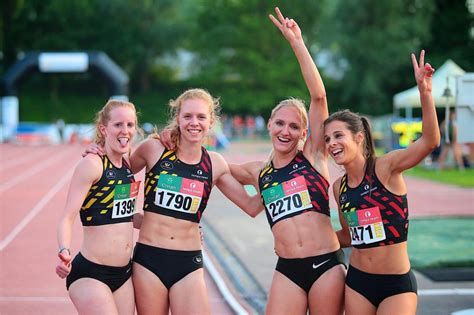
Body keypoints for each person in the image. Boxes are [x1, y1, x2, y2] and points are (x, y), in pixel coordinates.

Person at [85, 88, 262, 314]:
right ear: (177, 118)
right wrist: (99, 150)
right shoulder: (154, 149)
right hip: (149, 260)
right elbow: (116, 173)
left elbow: (251, 206)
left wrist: (269, 182)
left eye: (201, 117)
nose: (194, 123)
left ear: (211, 121)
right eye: (187, 116)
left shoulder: (215, 164)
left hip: (188, 263)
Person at [227, 8, 346, 314]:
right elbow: (211, 167)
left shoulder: (313, 155)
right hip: (287, 269)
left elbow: (318, 97)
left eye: (294, 126)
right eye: (279, 123)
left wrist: (297, 43)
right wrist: (173, 140)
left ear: (304, 132)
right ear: (269, 125)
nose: (285, 131)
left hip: (325, 265)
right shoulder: (260, 172)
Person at [323, 50, 439, 314]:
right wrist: (309, 237)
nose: (332, 144)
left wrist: (425, 92)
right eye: (327, 139)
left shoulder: (385, 168)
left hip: (396, 284)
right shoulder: (338, 188)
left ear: (359, 137)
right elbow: (349, 236)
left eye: (338, 136)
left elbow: (430, 141)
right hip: (358, 283)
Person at [56, 99, 143, 314]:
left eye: (130, 125)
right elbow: (67, 217)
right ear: (104, 129)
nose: (125, 131)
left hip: (124, 274)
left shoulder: (128, 166)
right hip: (91, 273)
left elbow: (129, 217)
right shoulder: (92, 164)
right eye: (118, 125)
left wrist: (179, 225)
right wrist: (63, 251)